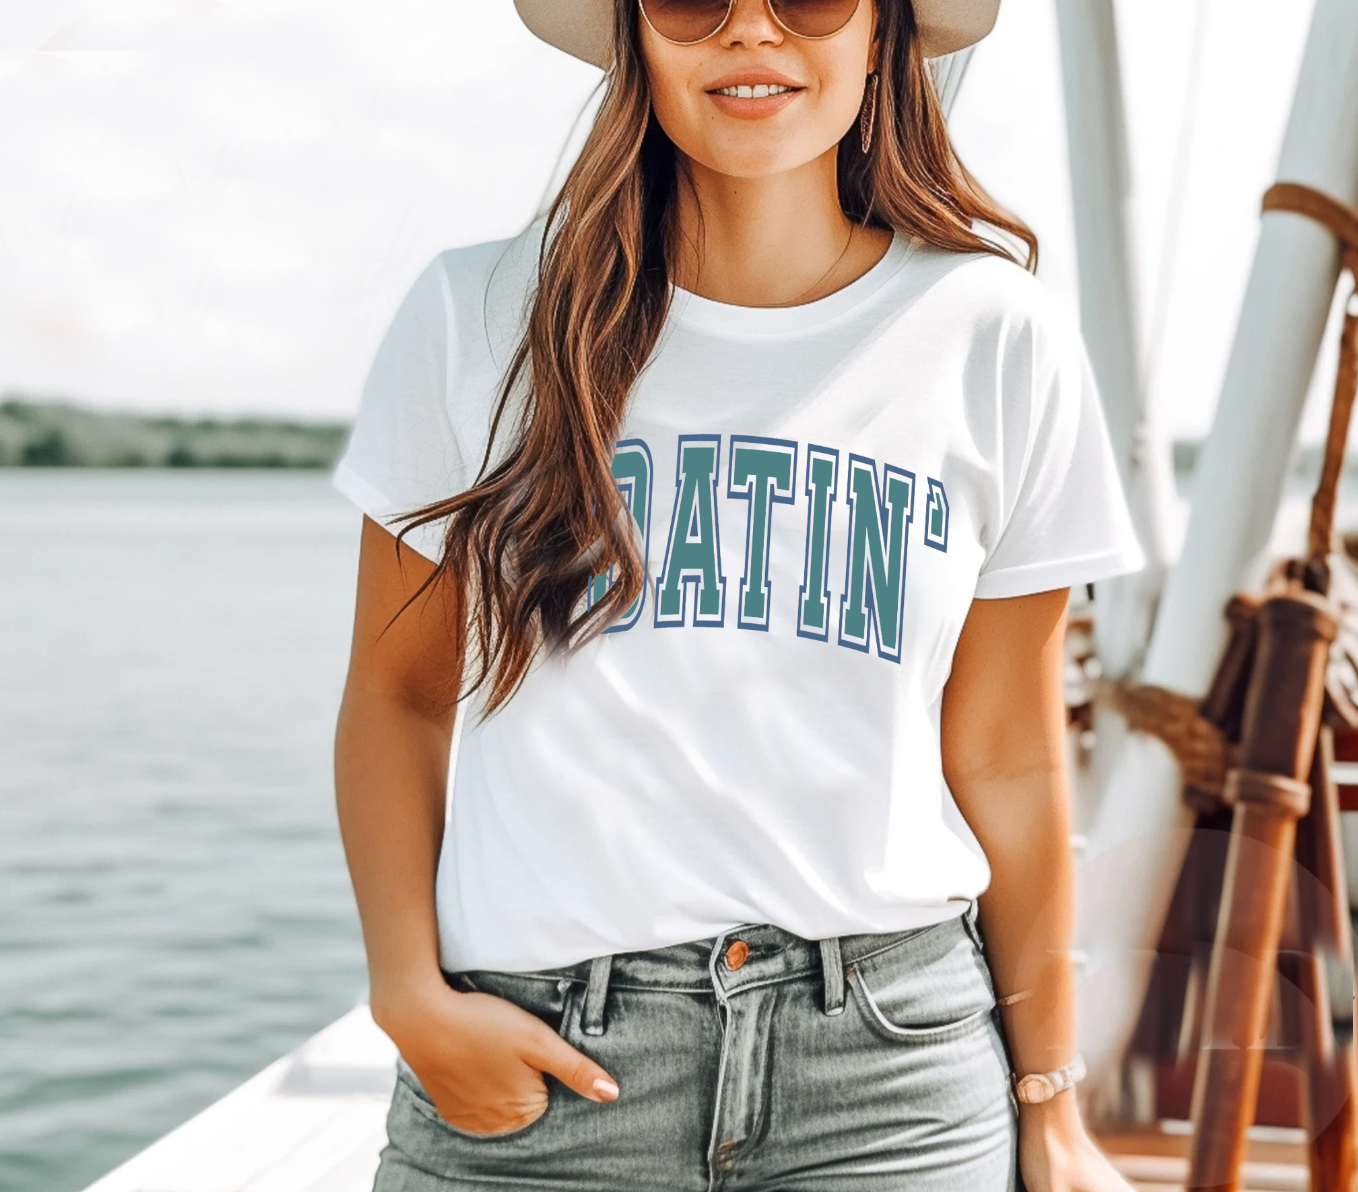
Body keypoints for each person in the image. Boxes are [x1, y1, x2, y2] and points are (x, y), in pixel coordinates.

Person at [330, 0, 1147, 1187]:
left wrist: (1050, 1100)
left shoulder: (995, 338)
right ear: (634, 34)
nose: (751, 32)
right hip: (548, 1063)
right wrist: (406, 990)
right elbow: (395, 697)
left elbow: (1010, 758)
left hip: (889, 1075)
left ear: (880, 34)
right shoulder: (479, 315)